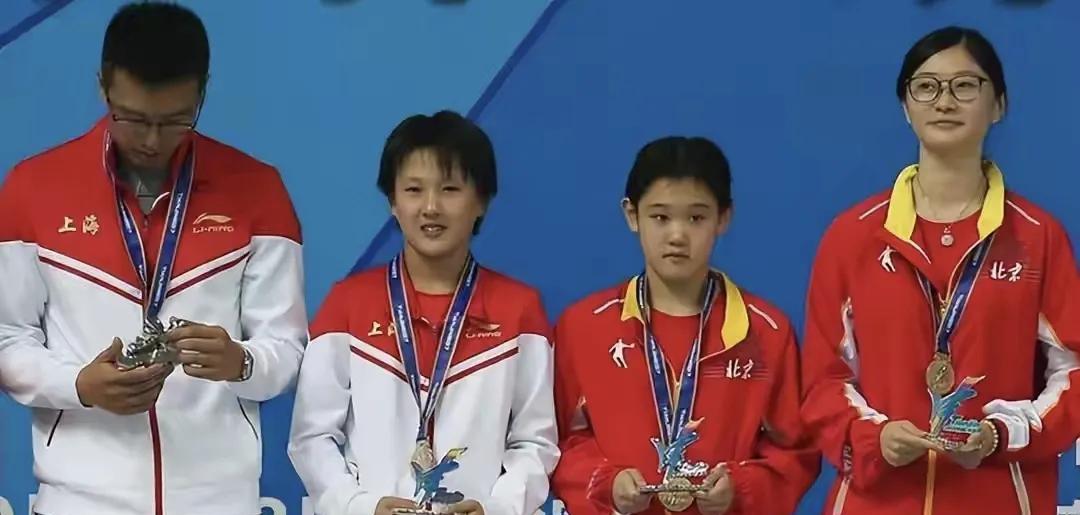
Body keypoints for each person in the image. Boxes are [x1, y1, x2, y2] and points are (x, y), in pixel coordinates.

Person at [0, 3, 306, 514]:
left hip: (218, 500)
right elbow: (8, 339)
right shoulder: (32, 188)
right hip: (79, 501)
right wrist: (78, 385)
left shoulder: (258, 189)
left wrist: (242, 362)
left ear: (202, 93)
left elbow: (287, 347)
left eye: (174, 121)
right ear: (103, 87)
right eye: (134, 118)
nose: (150, 140)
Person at [801, 26, 1080, 514]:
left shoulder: (1037, 238)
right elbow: (823, 383)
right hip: (877, 503)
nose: (944, 101)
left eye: (965, 85)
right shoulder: (852, 237)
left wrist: (1001, 433)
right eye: (926, 87)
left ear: (999, 105)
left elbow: (1072, 374)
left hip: (997, 500)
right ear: (905, 107)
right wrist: (874, 436)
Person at [288, 110, 558, 515]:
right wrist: (360, 506)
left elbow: (534, 443)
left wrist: (496, 508)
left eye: (450, 189)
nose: (431, 207)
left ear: (481, 201)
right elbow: (312, 437)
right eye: (414, 190)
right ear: (393, 202)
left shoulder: (520, 309)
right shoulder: (348, 304)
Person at [551, 136, 819, 515]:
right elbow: (558, 442)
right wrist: (606, 483)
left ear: (723, 217)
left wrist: (741, 488)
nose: (677, 235)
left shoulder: (765, 332)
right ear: (632, 215)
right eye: (660, 217)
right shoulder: (583, 327)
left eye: (696, 218)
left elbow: (796, 451)